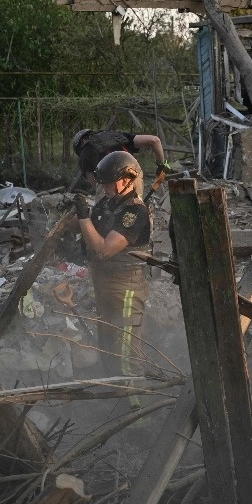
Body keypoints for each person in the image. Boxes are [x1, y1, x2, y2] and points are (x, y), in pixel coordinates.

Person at [74, 151, 153, 378]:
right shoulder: (107, 204)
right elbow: (89, 229)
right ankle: (114, 395)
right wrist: (74, 214)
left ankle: (136, 399)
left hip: (125, 288)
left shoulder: (135, 212)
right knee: (108, 348)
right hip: (104, 284)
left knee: (126, 354)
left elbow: (104, 249)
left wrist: (83, 217)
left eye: (109, 182)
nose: (104, 186)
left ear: (126, 180)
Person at [71, 129, 170, 195]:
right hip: (133, 176)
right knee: (138, 210)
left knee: (105, 214)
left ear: (82, 141)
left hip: (112, 185)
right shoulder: (116, 135)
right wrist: (162, 165)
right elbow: (154, 140)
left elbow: (96, 186)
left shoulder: (85, 152)